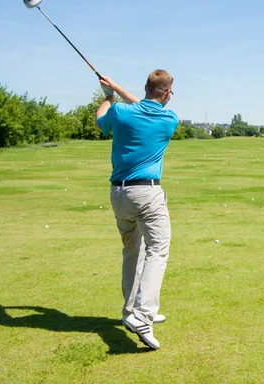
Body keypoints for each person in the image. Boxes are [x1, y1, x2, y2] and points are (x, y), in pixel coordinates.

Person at [95, 70, 179, 350]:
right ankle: (143, 316)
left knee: (133, 251)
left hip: (119, 194)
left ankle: (131, 311)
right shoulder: (169, 119)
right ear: (167, 93)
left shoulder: (119, 113)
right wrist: (117, 88)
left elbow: (100, 121)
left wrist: (109, 94)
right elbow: (146, 104)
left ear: (146, 88)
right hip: (148, 192)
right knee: (158, 248)